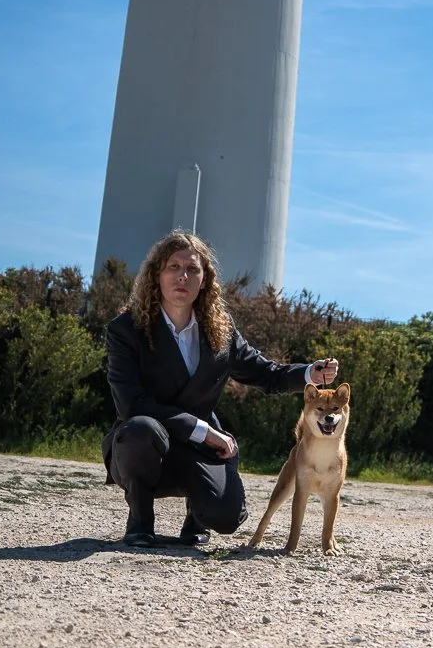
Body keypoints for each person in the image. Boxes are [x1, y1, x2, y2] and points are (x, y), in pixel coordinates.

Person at [103, 231, 338, 548]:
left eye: (192, 269)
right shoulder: (126, 329)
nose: (182, 276)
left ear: (204, 279)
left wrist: (311, 373)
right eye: (173, 267)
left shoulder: (221, 330)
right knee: (141, 429)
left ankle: (196, 518)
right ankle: (140, 521)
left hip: (197, 449)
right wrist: (203, 430)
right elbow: (131, 405)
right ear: (156, 274)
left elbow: (265, 373)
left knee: (226, 516)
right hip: (142, 446)